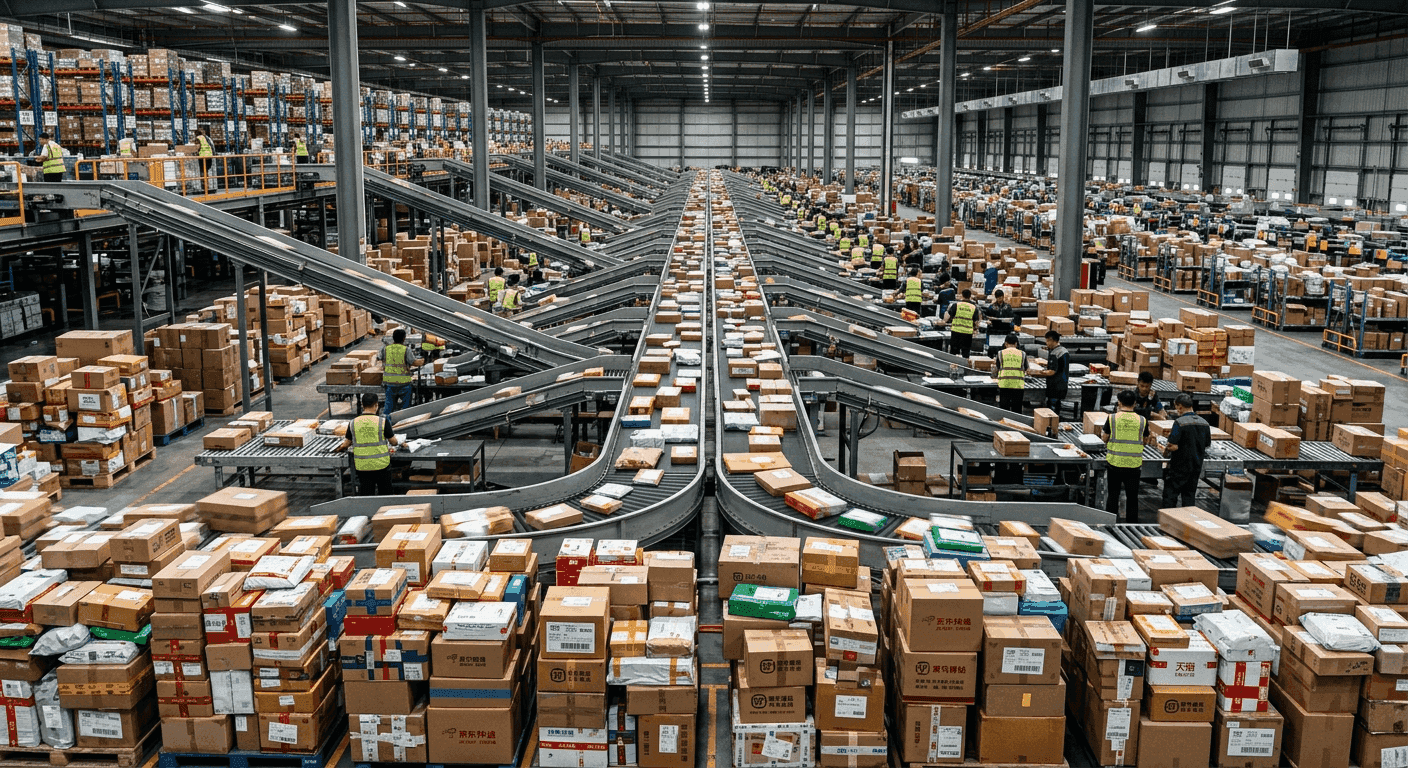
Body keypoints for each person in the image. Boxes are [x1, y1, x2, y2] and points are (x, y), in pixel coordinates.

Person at [1103, 389, 1150, 522]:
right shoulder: (1142, 420)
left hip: (1115, 463)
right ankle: (1131, 524)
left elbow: (1105, 437)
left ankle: (1110, 522)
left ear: (1119, 402)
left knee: (1113, 495)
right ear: (1135, 403)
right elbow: (1145, 440)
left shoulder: (1112, 418)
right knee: (1132, 496)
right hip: (1134, 465)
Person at [1162, 394, 1211, 508]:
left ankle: (1168, 523)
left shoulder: (1180, 422)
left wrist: (1165, 450)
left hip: (1179, 466)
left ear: (1179, 407)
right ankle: (1188, 522)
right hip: (1196, 467)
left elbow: (1172, 445)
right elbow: (1207, 444)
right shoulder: (1205, 423)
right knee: (1189, 497)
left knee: (1170, 496)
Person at [350, 393, 398, 496]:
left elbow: (346, 444)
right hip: (381, 464)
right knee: (385, 494)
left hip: (363, 466)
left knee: (366, 494)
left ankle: (367, 512)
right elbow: (394, 442)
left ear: (362, 405)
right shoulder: (382, 422)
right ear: (376, 405)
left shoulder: (353, 422)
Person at [379, 328, 422, 414]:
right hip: (404, 383)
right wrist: (423, 361)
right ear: (404, 338)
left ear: (393, 338)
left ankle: (386, 423)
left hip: (389, 382)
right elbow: (414, 362)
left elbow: (380, 359)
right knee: (405, 408)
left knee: (389, 407)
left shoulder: (386, 349)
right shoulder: (406, 349)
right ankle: (403, 422)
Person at [1033, 329, 1069, 413]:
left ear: (1051, 340)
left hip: (1055, 386)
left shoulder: (1055, 353)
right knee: (1057, 408)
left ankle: (1051, 424)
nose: (1046, 343)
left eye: (1047, 341)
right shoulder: (1064, 351)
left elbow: (1052, 371)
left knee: (1051, 410)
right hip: (1063, 384)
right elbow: (1061, 366)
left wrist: (1038, 372)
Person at [995, 333, 1028, 414]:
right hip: (1018, 385)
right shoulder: (1023, 354)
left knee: (1004, 409)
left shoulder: (1000, 353)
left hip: (1004, 384)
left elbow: (997, 368)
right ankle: (1016, 425)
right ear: (1016, 343)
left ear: (1005, 343)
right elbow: (1027, 369)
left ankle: (1005, 425)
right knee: (1016, 410)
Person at [945, 289, 980, 358]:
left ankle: (953, 367)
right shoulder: (974, 308)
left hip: (956, 332)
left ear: (962, 296)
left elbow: (947, 317)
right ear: (970, 296)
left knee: (953, 353)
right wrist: (975, 329)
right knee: (966, 354)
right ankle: (964, 368)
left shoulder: (956, 305)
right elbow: (976, 323)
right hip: (967, 334)